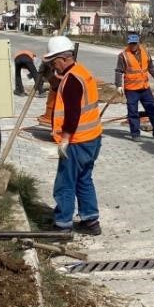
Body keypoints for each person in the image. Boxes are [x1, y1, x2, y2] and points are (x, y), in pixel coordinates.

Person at [44, 35, 103, 236]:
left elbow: (72, 114)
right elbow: (62, 86)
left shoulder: (71, 82)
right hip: (93, 138)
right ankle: (90, 221)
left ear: (63, 59)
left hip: (77, 141)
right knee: (84, 179)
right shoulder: (81, 72)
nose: (54, 67)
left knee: (65, 183)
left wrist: (66, 139)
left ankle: (62, 226)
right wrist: (52, 80)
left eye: (54, 63)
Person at [115, 33, 154, 142]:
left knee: (151, 109)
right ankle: (135, 134)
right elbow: (119, 71)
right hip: (131, 89)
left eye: (134, 43)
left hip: (144, 88)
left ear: (138, 43)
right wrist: (119, 85)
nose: (133, 46)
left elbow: (150, 66)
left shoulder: (145, 52)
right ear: (128, 43)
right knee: (133, 112)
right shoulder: (123, 55)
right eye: (131, 44)